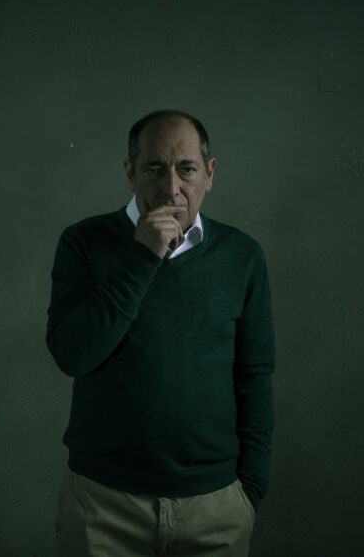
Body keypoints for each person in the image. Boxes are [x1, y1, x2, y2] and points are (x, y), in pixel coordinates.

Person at [45, 110, 275, 557]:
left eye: (187, 169)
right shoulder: (83, 243)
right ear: (130, 174)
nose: (172, 188)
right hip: (102, 507)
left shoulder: (243, 256)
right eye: (154, 169)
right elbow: (72, 355)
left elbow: (254, 375)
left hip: (215, 508)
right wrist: (143, 257)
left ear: (209, 174)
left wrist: (250, 490)